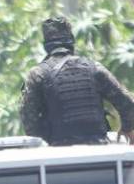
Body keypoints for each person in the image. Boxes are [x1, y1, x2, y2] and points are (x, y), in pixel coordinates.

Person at [20, 16, 134, 146]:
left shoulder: (38, 74)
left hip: (58, 155)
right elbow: (128, 103)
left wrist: (46, 142)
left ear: (46, 45)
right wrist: (127, 129)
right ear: (71, 41)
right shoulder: (95, 68)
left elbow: (29, 119)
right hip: (98, 150)